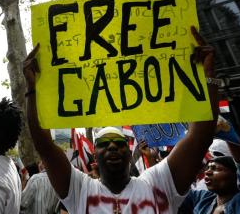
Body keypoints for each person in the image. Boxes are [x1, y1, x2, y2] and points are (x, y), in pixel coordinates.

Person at [23, 26, 219, 213]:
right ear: (94, 158)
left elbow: (200, 137)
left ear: (128, 151)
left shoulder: (159, 183)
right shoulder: (79, 189)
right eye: (104, 144)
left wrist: (209, 76)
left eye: (118, 143)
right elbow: (45, 147)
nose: (112, 147)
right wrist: (32, 90)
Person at [178, 139, 240, 213]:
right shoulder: (202, 198)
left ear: (236, 174)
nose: (207, 172)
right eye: (208, 168)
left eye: (215, 168)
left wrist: (230, 137)